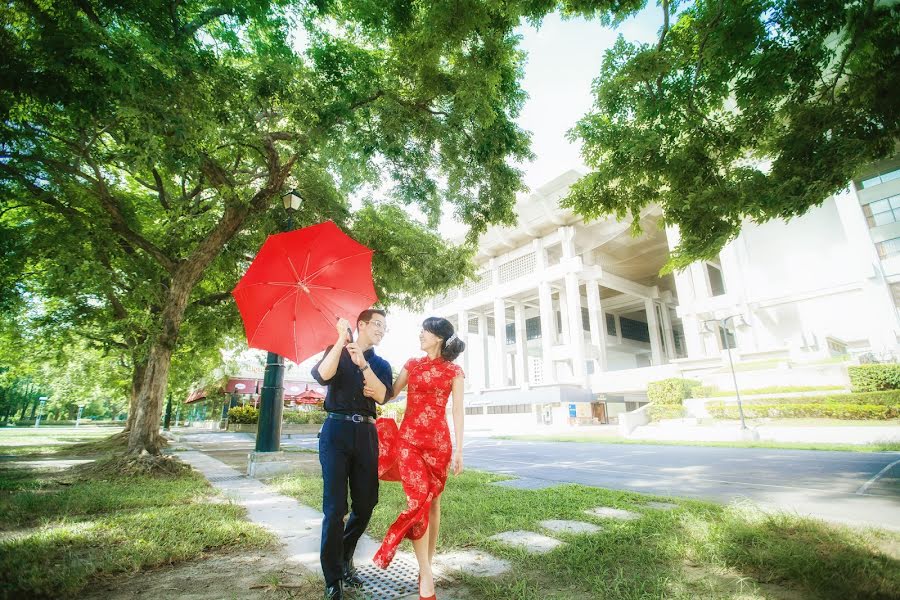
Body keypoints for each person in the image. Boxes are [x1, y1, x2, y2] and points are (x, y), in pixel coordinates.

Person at [369, 316, 465, 600]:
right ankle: (426, 573)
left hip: (438, 444)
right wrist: (365, 373)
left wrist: (460, 449)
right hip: (409, 441)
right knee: (417, 500)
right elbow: (389, 395)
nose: (420, 334)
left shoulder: (454, 371)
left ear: (438, 337)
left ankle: (426, 567)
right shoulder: (411, 365)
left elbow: (457, 411)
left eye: (425, 331)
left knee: (433, 504)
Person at [312, 309, 393, 600]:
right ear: (361, 325)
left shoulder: (381, 363)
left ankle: (345, 554)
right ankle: (333, 578)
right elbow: (322, 376)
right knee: (335, 509)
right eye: (377, 324)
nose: (382, 330)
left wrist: (362, 365)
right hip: (335, 431)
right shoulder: (336, 350)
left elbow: (381, 394)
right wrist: (339, 340)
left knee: (367, 502)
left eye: (385, 327)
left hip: (367, 433)